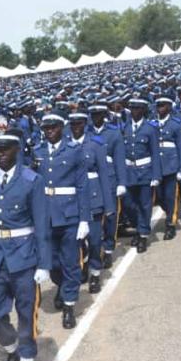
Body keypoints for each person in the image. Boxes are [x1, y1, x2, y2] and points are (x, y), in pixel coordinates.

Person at [0, 131, 50, 361]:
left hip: (23, 254)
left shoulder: (32, 181)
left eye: (6, 150)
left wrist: (44, 264)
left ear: (17, 151)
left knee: (25, 312)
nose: (0, 154)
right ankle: (12, 349)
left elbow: (42, 224)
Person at [33, 115, 89, 329]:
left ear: (61, 128)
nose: (49, 131)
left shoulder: (74, 151)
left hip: (68, 215)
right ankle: (62, 284)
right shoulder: (38, 151)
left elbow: (82, 186)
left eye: (53, 127)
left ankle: (69, 306)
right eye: (45, 128)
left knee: (70, 262)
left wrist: (84, 219)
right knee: (52, 261)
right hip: (45, 215)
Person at [67, 111, 114, 294]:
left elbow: (104, 174)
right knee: (76, 241)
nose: (76, 127)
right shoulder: (66, 145)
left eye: (79, 124)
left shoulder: (95, 144)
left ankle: (95, 272)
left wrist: (108, 205)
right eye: (73, 124)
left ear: (85, 124)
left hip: (93, 198)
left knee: (94, 240)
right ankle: (83, 265)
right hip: (74, 199)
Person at [120, 98, 161, 252]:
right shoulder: (126, 128)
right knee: (129, 204)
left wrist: (156, 175)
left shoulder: (150, 129)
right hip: (129, 172)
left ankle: (143, 234)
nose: (134, 112)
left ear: (143, 110)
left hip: (145, 172)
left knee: (145, 204)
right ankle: (139, 227)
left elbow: (155, 153)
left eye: (138, 109)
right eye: (132, 109)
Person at [88, 101, 126, 269]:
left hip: (110, 178)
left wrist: (121, 182)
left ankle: (109, 249)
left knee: (110, 216)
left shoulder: (113, 133)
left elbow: (119, 159)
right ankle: (93, 252)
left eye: (99, 115)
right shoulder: (85, 132)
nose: (96, 118)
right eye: (93, 115)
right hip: (92, 182)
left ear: (104, 116)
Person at [152, 93, 181, 241]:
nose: (160, 108)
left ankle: (170, 225)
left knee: (170, 196)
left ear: (169, 107)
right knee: (159, 197)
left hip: (171, 165)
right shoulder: (152, 123)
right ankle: (169, 213)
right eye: (158, 106)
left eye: (163, 106)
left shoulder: (176, 124)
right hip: (157, 166)